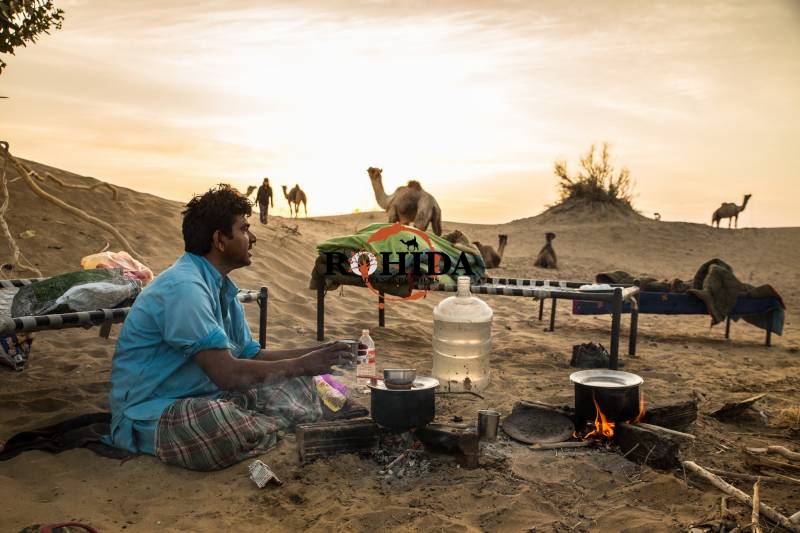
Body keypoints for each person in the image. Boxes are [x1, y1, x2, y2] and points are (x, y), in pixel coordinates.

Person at [104, 184, 353, 470]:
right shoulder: (185, 288)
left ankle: (265, 426)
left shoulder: (222, 288)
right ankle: (275, 425)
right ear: (220, 240)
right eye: (244, 229)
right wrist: (303, 364)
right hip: (154, 410)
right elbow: (227, 374)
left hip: (210, 395)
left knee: (298, 380)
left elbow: (251, 356)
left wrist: (321, 354)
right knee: (218, 423)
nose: (253, 238)